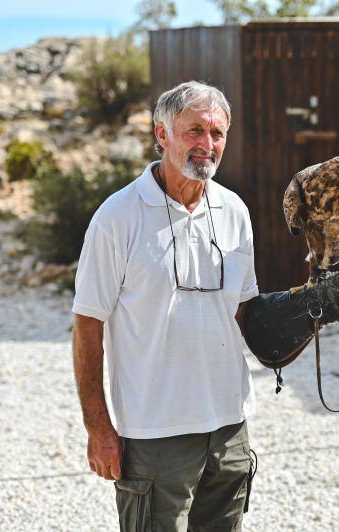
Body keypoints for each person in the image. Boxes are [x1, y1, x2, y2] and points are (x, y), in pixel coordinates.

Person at [72, 81, 259, 531]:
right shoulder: (118, 217)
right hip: (155, 432)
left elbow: (246, 315)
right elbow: (87, 327)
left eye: (217, 134)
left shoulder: (234, 211)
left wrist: (312, 309)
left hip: (229, 429)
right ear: (162, 134)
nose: (207, 145)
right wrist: (99, 428)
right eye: (194, 130)